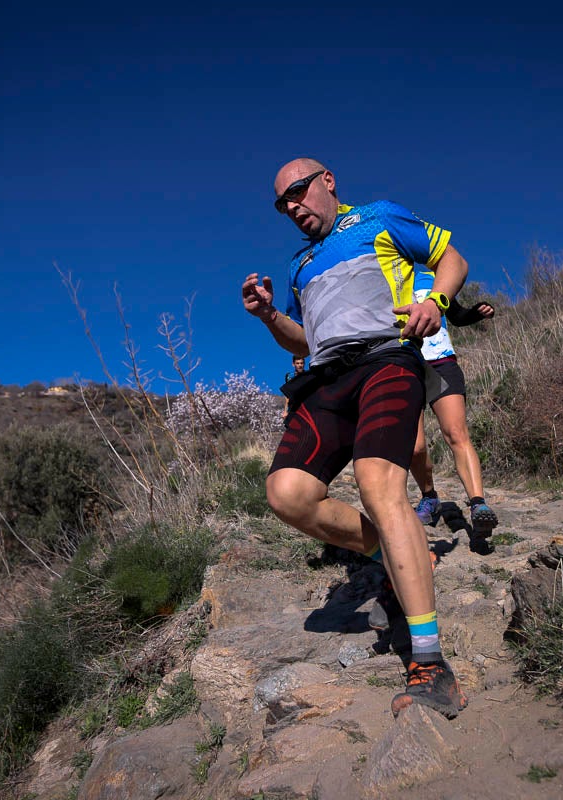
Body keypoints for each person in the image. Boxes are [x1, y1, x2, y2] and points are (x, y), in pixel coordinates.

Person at [241, 157, 468, 719]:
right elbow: (301, 339)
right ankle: (394, 553)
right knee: (287, 494)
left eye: (297, 192)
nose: (291, 206)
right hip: (326, 379)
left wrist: (433, 303)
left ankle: (431, 664)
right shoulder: (299, 266)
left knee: (377, 485)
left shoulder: (378, 218)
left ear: (327, 182)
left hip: (388, 361)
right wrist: (271, 316)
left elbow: (451, 259)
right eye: (281, 203)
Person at [409, 279, 500, 534]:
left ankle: (478, 504)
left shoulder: (433, 277)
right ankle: (429, 497)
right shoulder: (383, 274)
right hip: (405, 363)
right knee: (414, 448)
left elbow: (456, 315)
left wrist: (475, 312)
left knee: (456, 434)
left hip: (441, 362)